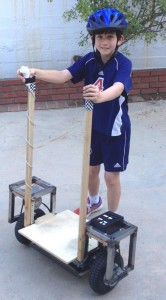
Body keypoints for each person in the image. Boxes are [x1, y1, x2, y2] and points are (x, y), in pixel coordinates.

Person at [17, 7, 132, 217]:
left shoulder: (123, 64)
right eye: (100, 37)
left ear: (120, 39)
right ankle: (94, 202)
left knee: (111, 177)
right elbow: (63, 75)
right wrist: (36, 72)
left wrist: (100, 96)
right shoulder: (89, 60)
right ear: (93, 39)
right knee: (91, 170)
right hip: (94, 126)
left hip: (116, 130)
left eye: (110, 36)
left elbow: (119, 88)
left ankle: (112, 216)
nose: (104, 42)